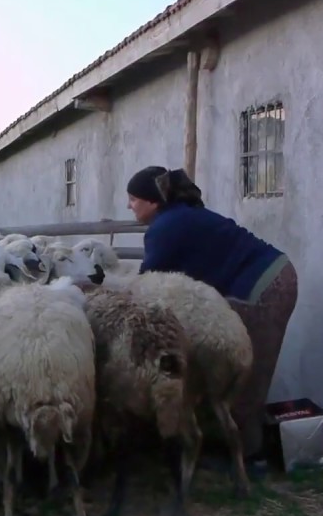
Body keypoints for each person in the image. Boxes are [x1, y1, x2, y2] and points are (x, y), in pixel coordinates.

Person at [125, 165, 298, 458]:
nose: (129, 205)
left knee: (246, 373)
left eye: (133, 199)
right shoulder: (178, 218)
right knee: (235, 370)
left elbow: (146, 286)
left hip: (264, 288)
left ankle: (248, 454)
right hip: (270, 277)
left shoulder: (165, 229)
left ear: (152, 201)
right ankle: (230, 445)